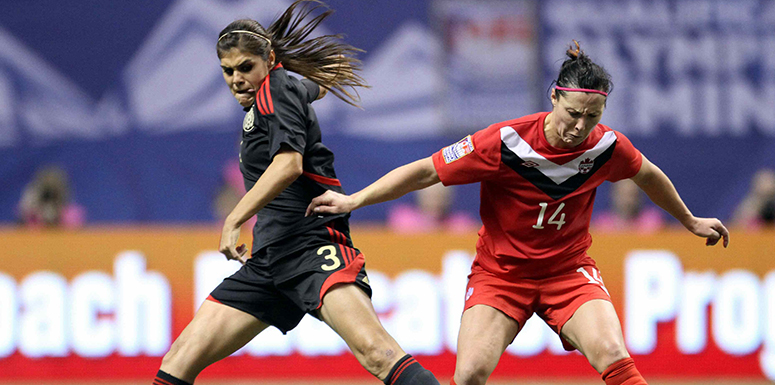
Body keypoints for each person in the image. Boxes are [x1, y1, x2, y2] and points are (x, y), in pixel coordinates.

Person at [307, 41, 730, 385]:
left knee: (614, 356)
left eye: (591, 117)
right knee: (469, 374)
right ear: (554, 98)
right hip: (501, 274)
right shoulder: (502, 142)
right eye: (572, 113)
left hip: (569, 271)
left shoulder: (607, 147)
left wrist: (690, 220)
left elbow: (649, 175)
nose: (579, 127)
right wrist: (354, 200)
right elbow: (424, 172)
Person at [153, 2, 440, 385]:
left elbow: (289, 164)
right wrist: (325, 76)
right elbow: (310, 89)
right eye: (227, 70)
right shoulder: (279, 90)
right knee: (180, 357)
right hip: (270, 258)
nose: (237, 78)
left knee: (378, 353)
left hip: (311, 246)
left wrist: (234, 218)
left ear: (268, 60)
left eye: (245, 67)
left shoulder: (274, 87)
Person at [387, 183, 479, 233]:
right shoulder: (403, 219)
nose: (436, 201)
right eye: (431, 196)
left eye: (441, 196)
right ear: (420, 196)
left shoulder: (463, 224)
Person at [17, 165, 85, 228]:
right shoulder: (32, 194)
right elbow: (24, 209)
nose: (51, 185)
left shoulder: (67, 207)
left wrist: (56, 214)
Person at [592, 179, 664, 233]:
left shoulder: (652, 221)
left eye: (631, 194)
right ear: (613, 195)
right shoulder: (601, 225)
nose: (627, 200)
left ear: (639, 196)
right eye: (622, 194)